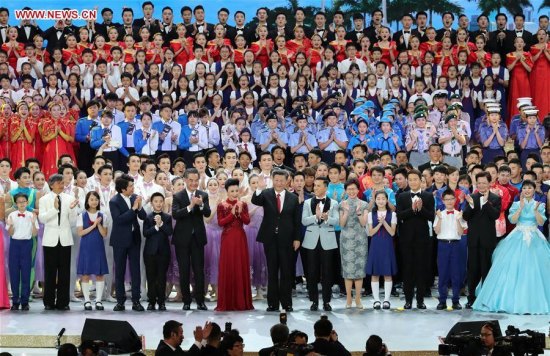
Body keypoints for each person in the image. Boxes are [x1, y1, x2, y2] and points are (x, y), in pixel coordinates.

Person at [473, 180, 550, 314]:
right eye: (524, 188)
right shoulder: (515, 204)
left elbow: (541, 221)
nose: (527, 190)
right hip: (517, 235)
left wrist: (536, 211)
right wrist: (520, 208)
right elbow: (512, 220)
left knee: (536, 269)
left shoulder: (540, 204)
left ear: (534, 190)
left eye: (529, 188)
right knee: (511, 266)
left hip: (534, 237)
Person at [251, 169, 301, 312]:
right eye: (276, 180)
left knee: (286, 272)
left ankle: (287, 303)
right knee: (272, 271)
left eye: (282, 181)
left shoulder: (293, 197)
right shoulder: (266, 194)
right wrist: (259, 188)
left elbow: (297, 220)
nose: (279, 183)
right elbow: (255, 200)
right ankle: (272, 303)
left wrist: (297, 238)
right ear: (272, 180)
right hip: (270, 238)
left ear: (287, 181)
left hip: (287, 239)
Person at [172, 168, 211, 311]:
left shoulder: (203, 195)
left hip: (198, 239)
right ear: (185, 180)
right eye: (191, 180)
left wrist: (200, 204)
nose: (194, 183)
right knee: (184, 270)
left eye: (196, 180)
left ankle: (200, 301)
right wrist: (190, 206)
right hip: (182, 239)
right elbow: (175, 214)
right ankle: (186, 301)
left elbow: (207, 213)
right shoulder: (178, 196)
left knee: (199, 271)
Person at [38, 173, 78, 311]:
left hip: (65, 238)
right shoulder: (44, 199)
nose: (62, 185)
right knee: (50, 272)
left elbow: (73, 222)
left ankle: (63, 302)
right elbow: (42, 219)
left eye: (63, 183)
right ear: (51, 184)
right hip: (50, 239)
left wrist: (73, 210)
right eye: (59, 183)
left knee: (64, 272)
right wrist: (54, 209)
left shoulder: (69, 198)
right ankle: (48, 301)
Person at [396, 169, 435, 310]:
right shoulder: (402, 196)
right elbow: (399, 215)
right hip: (406, 239)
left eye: (415, 179)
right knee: (407, 270)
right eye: (410, 179)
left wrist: (421, 209)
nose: (413, 182)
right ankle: (408, 300)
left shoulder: (428, 196)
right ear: (407, 181)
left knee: (421, 269)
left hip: (423, 239)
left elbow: (431, 216)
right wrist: (412, 210)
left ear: (420, 180)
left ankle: (420, 300)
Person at [462, 171, 501, 309]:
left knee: (487, 269)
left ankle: (486, 298)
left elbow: (495, 215)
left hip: (488, 240)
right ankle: (471, 298)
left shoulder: (495, 198)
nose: (481, 185)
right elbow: (466, 216)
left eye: (484, 183)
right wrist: (472, 205)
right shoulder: (471, 197)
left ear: (489, 183)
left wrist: (485, 203)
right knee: (473, 270)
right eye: (479, 183)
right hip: (473, 240)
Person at [109, 174, 147, 312]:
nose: (133, 188)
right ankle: (120, 301)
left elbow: (143, 216)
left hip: (134, 239)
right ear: (123, 189)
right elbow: (118, 220)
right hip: (120, 240)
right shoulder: (114, 201)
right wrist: (133, 209)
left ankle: (136, 300)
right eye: (130, 186)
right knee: (119, 271)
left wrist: (139, 207)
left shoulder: (134, 197)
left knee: (135, 270)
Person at [301, 176, 339, 312]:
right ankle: (314, 301)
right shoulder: (307, 203)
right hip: (311, 241)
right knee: (311, 273)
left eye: (318, 185)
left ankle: (327, 301)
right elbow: (304, 221)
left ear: (325, 187)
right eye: (315, 185)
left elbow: (337, 221)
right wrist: (316, 217)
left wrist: (327, 218)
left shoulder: (334, 203)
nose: (315, 187)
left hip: (328, 241)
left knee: (328, 272)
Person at [216, 178, 253, 311]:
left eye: (236, 190)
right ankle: (228, 302)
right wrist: (232, 214)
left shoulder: (243, 203)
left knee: (240, 266)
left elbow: (247, 221)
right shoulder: (221, 205)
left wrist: (240, 212)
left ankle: (241, 302)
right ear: (227, 191)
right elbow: (221, 223)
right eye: (232, 191)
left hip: (240, 238)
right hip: (227, 239)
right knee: (228, 267)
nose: (234, 193)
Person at [433, 189, 467, 311]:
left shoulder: (459, 213)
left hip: (456, 244)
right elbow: (436, 231)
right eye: (446, 199)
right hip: (442, 245)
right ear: (443, 200)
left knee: (456, 273)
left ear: (455, 200)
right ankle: (442, 300)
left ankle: (456, 300)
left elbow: (461, 232)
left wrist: (458, 219)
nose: (449, 201)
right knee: (443, 273)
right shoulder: (439, 214)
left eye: (451, 199)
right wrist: (440, 218)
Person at [76, 191, 109, 311]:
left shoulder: (103, 215)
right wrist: (94, 225)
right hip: (86, 247)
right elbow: (80, 233)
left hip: (98, 247)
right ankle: (87, 300)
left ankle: (98, 300)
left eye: (96, 199)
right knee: (85, 274)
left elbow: (104, 234)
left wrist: (98, 225)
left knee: (99, 274)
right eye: (91, 199)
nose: (94, 202)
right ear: (87, 201)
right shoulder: (81, 215)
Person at [338, 179, 368, 309]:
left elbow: (363, 223)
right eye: (349, 189)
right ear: (346, 190)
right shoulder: (341, 204)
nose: (351, 191)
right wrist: (345, 212)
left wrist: (359, 213)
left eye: (354, 189)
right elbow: (341, 224)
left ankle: (358, 299)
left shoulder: (364, 204)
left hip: (360, 239)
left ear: (358, 190)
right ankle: (349, 299)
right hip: (346, 239)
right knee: (348, 270)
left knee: (359, 270)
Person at [6, 192, 38, 311]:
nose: (21, 204)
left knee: (26, 273)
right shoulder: (12, 215)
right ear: (16, 203)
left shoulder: (31, 215)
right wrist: (10, 225)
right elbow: (10, 233)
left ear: (27, 202)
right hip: (15, 244)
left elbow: (35, 234)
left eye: (23, 201)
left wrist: (33, 222)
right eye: (19, 202)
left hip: (27, 244)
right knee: (14, 273)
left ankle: (25, 301)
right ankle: (15, 301)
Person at [366, 190, 398, 310]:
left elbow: (392, 232)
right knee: (375, 274)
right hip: (375, 245)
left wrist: (384, 222)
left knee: (387, 274)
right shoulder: (371, 214)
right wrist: (379, 224)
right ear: (375, 200)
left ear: (386, 200)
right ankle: (376, 300)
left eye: (383, 199)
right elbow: (371, 232)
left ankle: (386, 300)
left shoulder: (392, 214)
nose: (380, 201)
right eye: (378, 199)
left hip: (387, 245)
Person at [143, 192, 173, 311]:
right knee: (151, 278)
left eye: (161, 201)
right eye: (156, 201)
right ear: (152, 203)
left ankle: (161, 302)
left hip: (163, 252)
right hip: (150, 252)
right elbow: (145, 233)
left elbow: (169, 232)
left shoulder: (167, 217)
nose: (159, 204)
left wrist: (161, 224)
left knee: (162, 278)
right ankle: (151, 302)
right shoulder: (148, 217)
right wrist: (156, 227)